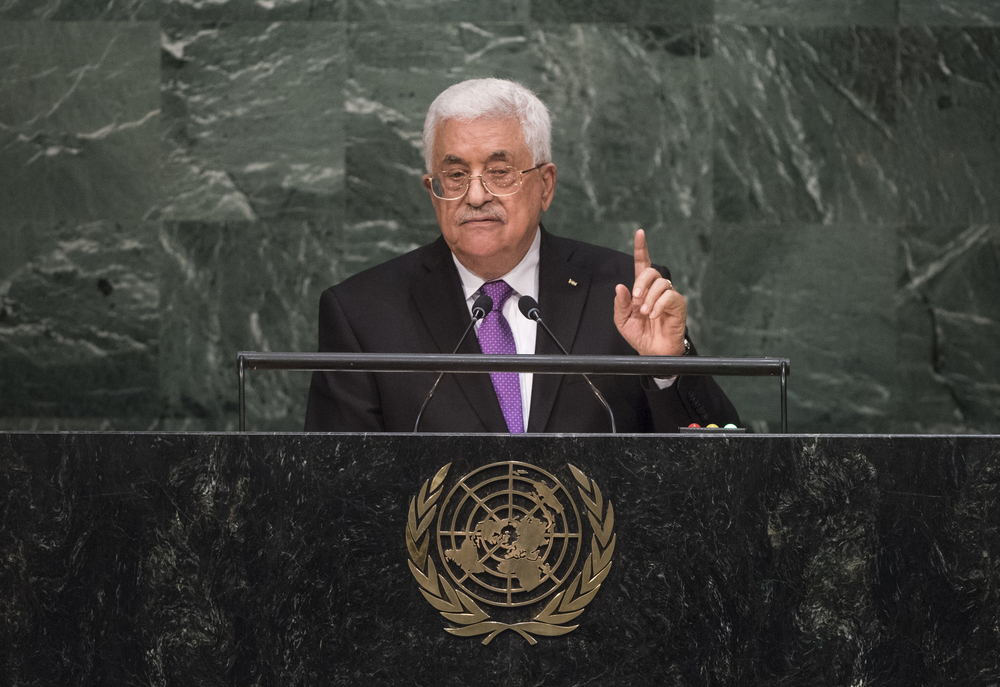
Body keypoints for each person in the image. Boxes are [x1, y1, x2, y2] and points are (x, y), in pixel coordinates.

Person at [305, 78, 738, 433]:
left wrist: (668, 367)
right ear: (432, 192)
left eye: (499, 173)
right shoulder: (362, 314)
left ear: (546, 185)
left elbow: (721, 471)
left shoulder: (623, 292)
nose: (475, 195)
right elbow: (337, 492)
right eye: (455, 175)